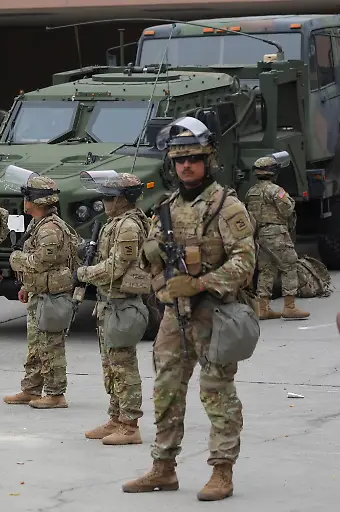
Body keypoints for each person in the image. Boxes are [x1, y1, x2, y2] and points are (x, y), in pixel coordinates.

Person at [124, 119, 255, 501]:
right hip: (173, 315)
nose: (187, 166)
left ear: (208, 160)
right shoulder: (164, 207)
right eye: (180, 160)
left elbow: (245, 263)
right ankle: (163, 467)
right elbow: (150, 255)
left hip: (214, 314)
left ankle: (222, 471)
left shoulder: (225, 206)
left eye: (195, 159)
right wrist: (158, 273)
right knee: (165, 389)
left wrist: (200, 283)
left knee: (217, 392)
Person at [77, 173, 150, 444]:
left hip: (123, 304)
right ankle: (116, 417)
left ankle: (130, 425)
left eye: (109, 197)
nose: (105, 202)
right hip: (109, 303)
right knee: (111, 365)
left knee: (123, 365)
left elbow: (116, 267)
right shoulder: (114, 223)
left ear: (123, 200)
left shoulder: (129, 226)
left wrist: (84, 273)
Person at [3, 176, 79, 409]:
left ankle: (56, 394)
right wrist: (27, 286)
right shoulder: (38, 223)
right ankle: (31, 388)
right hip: (41, 293)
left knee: (51, 346)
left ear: (36, 200)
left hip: (53, 296)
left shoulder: (49, 229)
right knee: (36, 345)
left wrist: (16, 260)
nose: (24, 200)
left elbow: (41, 261)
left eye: (28, 196)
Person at [245, 155, 309, 320]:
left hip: (260, 235)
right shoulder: (275, 190)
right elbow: (287, 209)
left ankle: (263, 308)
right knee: (289, 264)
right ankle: (289, 306)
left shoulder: (250, 192)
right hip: (276, 233)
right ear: (273, 172)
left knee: (267, 269)